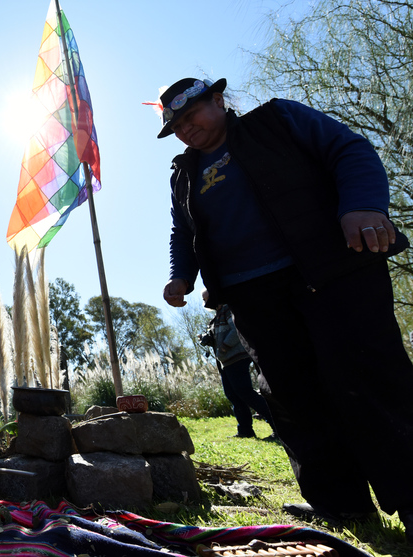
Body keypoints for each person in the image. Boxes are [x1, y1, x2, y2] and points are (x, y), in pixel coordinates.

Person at [158, 77, 413, 540]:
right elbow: (184, 234)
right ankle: (342, 504)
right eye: (176, 125)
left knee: (369, 378)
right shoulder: (184, 173)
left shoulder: (277, 120)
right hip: (252, 296)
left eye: (190, 115)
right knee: (294, 398)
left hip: (329, 271)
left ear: (218, 100)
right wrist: (181, 275)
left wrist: (362, 205)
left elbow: (349, 150)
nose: (185, 129)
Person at [200, 290, 274, 439]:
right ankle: (245, 430)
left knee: (246, 392)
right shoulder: (216, 317)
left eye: (207, 298)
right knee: (234, 395)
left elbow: (236, 329)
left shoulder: (228, 309)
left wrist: (224, 347)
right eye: (204, 299)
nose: (206, 302)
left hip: (236, 357)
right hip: (225, 361)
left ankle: (277, 426)